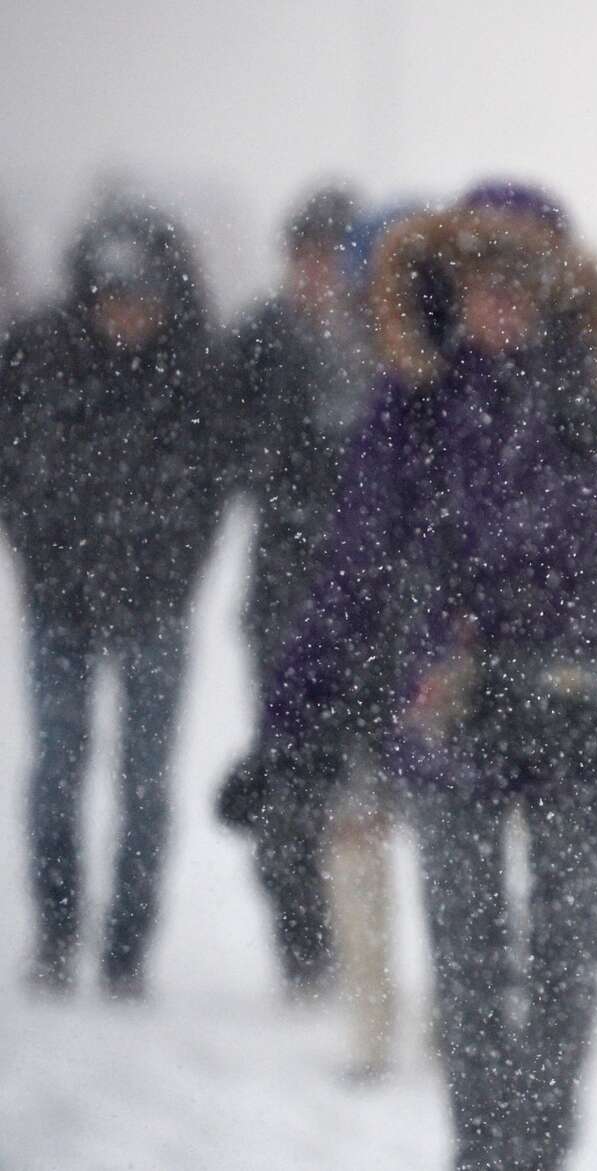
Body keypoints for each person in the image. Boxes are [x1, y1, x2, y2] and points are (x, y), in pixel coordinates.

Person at [228, 182, 597, 1171]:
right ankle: (484, 1153)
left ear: (558, 284)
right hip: (453, 705)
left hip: (581, 703)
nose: (500, 304)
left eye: (520, 281)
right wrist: (288, 722)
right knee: (470, 958)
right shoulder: (417, 393)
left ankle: (539, 1147)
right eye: (481, 281)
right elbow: (353, 567)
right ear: (450, 283)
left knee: (569, 959)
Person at [1, 199, 228, 999]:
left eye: (142, 300)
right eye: (114, 299)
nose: (128, 315)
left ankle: (128, 948)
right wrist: (37, 550)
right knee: (57, 771)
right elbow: (14, 469)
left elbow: (211, 486)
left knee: (144, 782)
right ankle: (59, 933)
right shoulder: (34, 357)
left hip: (154, 605)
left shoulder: (196, 372)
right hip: (59, 601)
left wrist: (175, 570)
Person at [217, 184, 372, 1002]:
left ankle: (359, 946)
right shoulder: (260, 342)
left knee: (364, 783)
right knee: (289, 774)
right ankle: (302, 942)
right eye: (308, 257)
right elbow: (222, 453)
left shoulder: (386, 347)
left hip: (366, 600)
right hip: (285, 593)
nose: (320, 274)